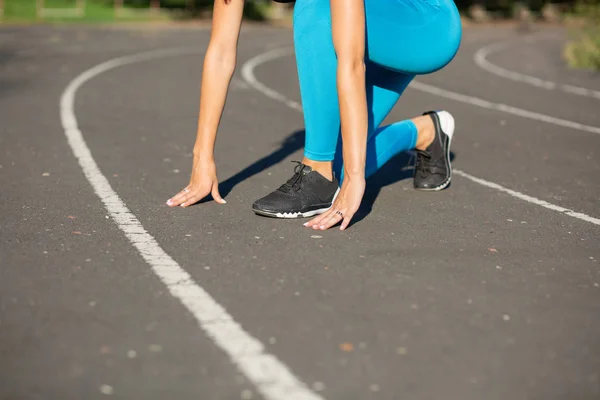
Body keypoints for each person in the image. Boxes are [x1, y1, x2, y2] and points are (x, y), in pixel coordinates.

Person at [167, 0, 462, 232]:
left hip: (426, 23)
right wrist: (201, 158)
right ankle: (427, 131)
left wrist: (356, 179)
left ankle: (316, 172)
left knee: (313, 4)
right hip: (374, 23)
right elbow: (220, 52)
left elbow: (351, 63)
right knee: (344, 166)